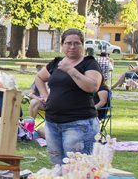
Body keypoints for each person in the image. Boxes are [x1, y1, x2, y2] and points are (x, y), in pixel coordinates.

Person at [33, 28, 103, 166]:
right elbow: (39, 77)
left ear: (82, 45)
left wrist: (70, 70)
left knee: (76, 167)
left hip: (79, 124)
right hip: (52, 123)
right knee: (57, 165)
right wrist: (44, 95)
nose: (72, 46)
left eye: (76, 43)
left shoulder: (89, 63)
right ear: (62, 45)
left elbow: (92, 87)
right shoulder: (56, 63)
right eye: (68, 43)